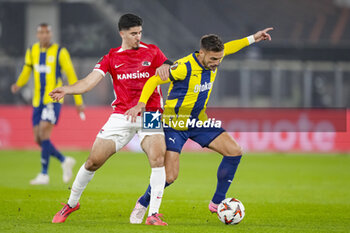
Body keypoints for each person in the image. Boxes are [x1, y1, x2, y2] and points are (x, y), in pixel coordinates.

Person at [126, 28, 273, 223]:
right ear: (202, 53)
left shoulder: (216, 56)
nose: (217, 63)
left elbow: (231, 46)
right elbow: (154, 79)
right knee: (170, 177)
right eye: (213, 59)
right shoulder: (183, 67)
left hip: (198, 121)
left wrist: (254, 38)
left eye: (219, 59)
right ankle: (143, 202)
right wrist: (142, 103)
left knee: (234, 151)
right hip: (174, 124)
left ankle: (217, 203)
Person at [49, 13, 173, 225]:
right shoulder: (111, 57)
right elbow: (89, 82)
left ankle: (153, 214)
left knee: (158, 158)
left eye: (140, 32)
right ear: (122, 33)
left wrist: (168, 66)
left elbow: (170, 66)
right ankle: (72, 203)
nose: (138, 37)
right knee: (93, 161)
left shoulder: (152, 51)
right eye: (134, 33)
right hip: (122, 115)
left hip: (150, 114)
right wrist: (68, 90)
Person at [11, 23, 85, 185]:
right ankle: (64, 160)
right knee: (38, 139)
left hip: (53, 99)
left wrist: (78, 100)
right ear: (37, 35)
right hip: (37, 101)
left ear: (50, 35)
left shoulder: (60, 52)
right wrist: (18, 84)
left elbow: (72, 77)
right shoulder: (32, 51)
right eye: (41, 32)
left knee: (44, 131)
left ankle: (44, 174)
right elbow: (26, 71)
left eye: (47, 32)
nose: (44, 35)